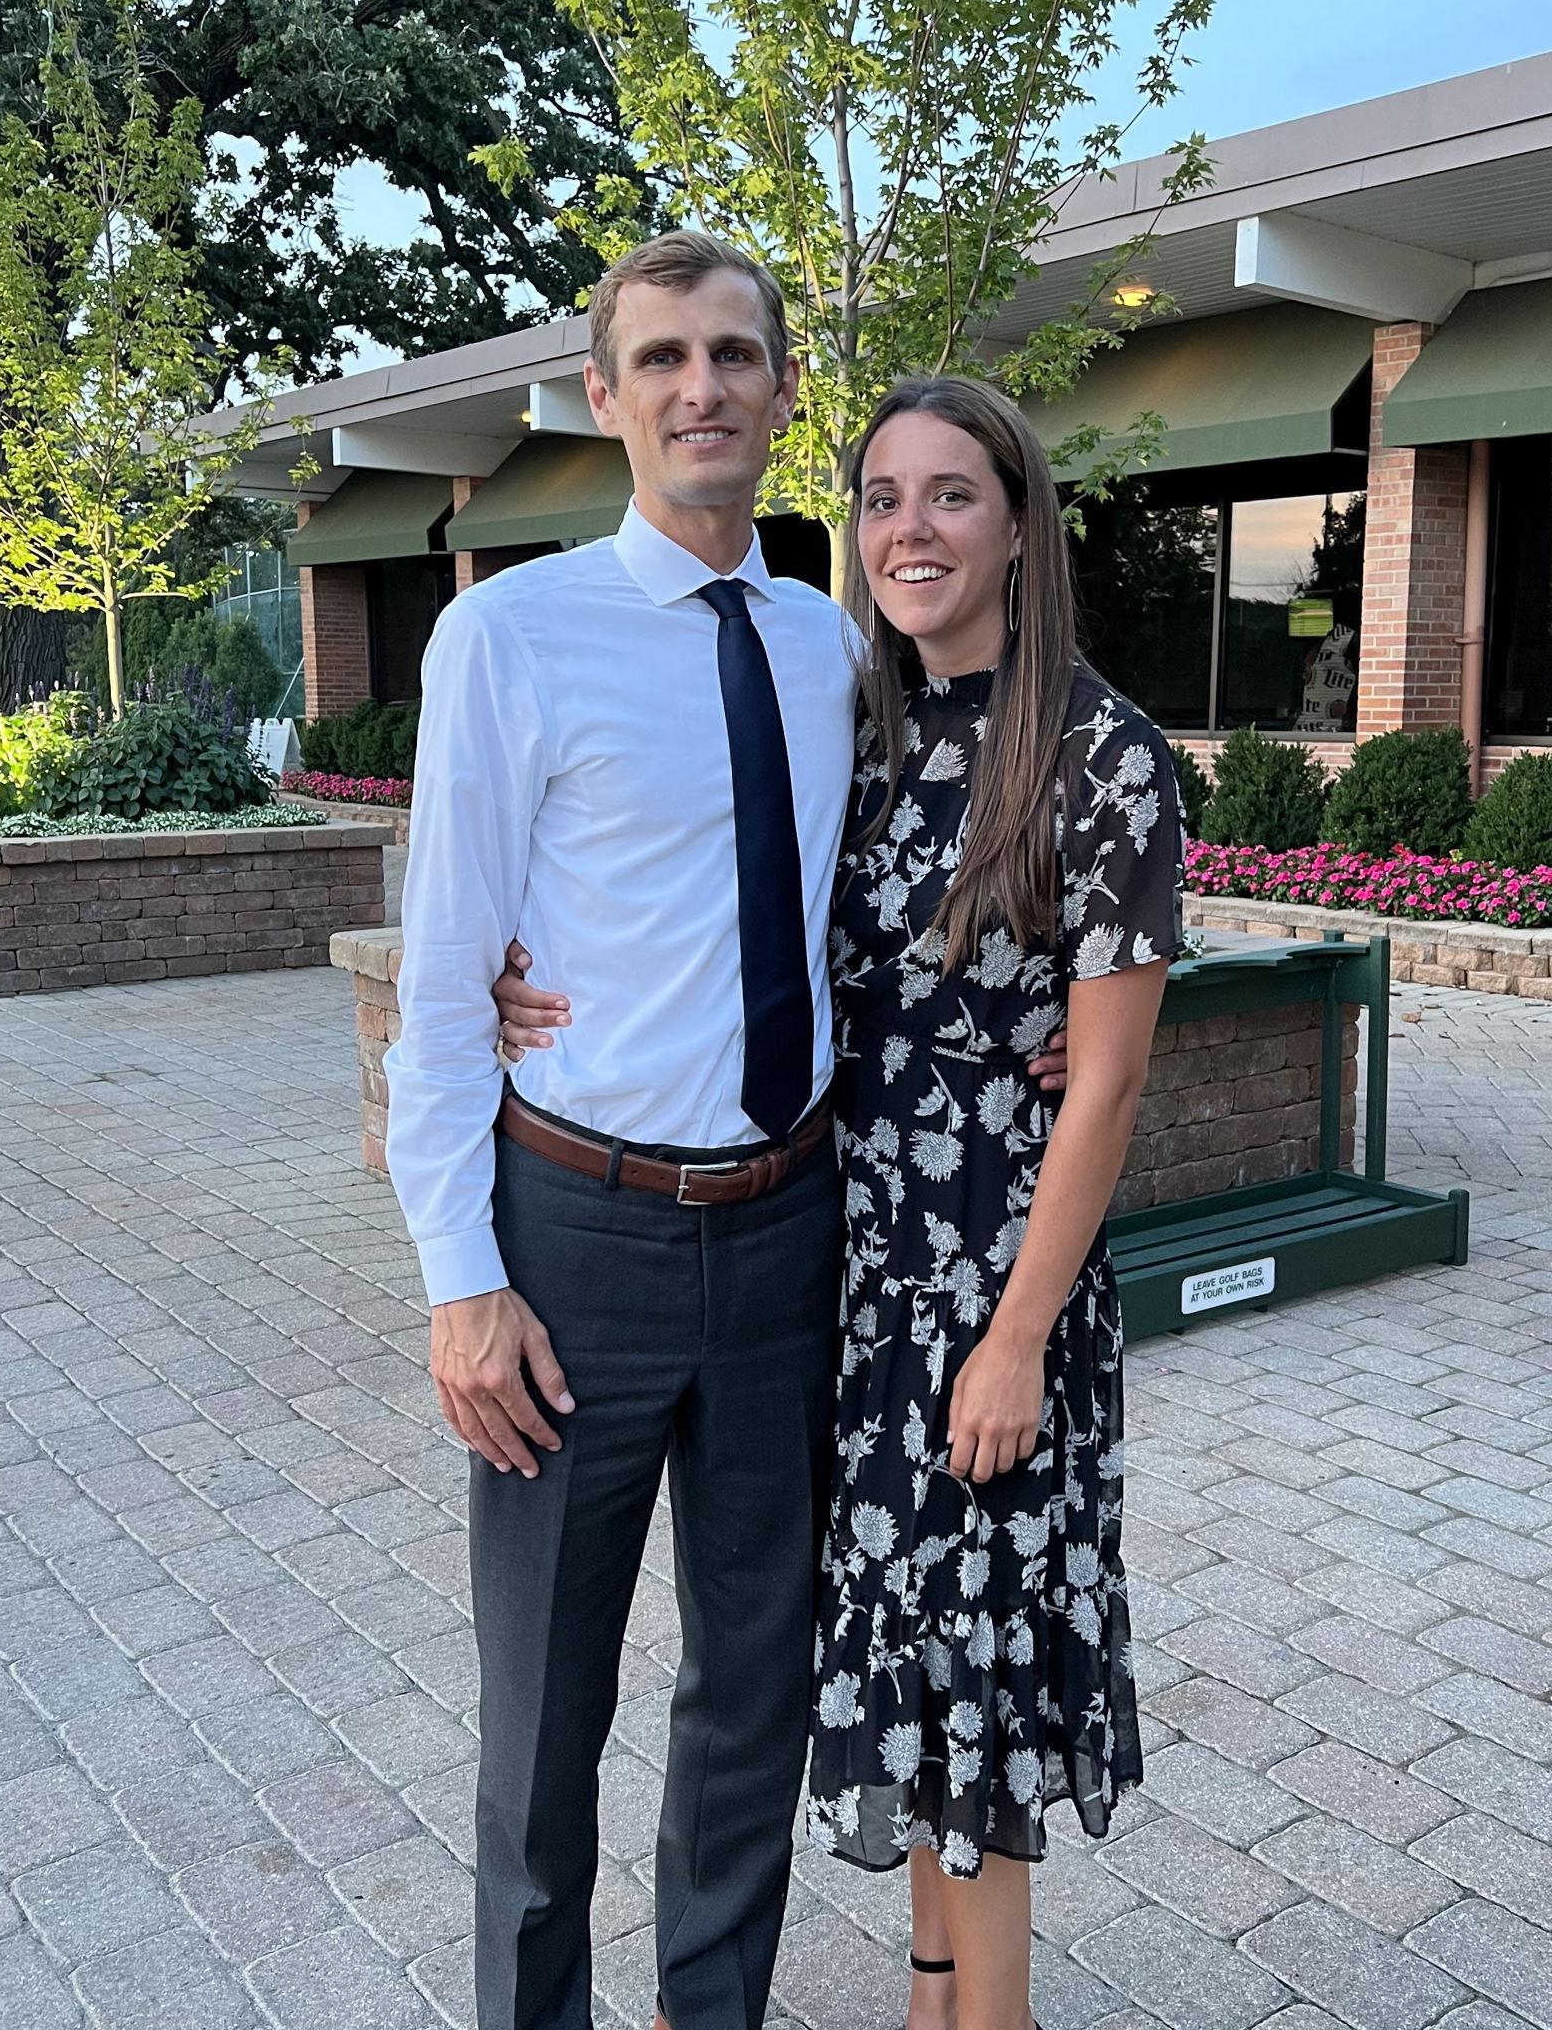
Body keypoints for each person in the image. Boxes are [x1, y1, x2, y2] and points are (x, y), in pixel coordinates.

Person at [498, 375, 1184, 2030]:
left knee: (988, 1674)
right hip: (854, 1282)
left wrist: (1015, 1341)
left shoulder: (1100, 753)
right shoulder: (863, 726)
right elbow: (703, 891)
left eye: (952, 495)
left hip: (996, 1297)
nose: (909, 530)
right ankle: (929, 1995)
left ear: (1018, 525)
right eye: (882, 497)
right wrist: (523, 966)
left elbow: (1105, 1084)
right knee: (912, 1663)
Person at [383, 229, 857, 2030]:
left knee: (755, 1685)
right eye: (660, 359)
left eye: (733, 354)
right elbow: (447, 982)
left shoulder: (830, 647)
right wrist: (460, 1278)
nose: (699, 388)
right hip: (576, 1244)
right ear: (604, 398)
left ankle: (707, 2012)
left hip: (790, 1224)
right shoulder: (509, 636)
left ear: (783, 388)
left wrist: (1053, 1021)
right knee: (544, 1711)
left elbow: (884, 901)